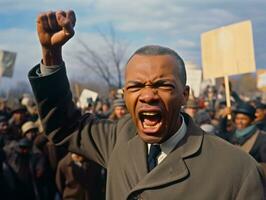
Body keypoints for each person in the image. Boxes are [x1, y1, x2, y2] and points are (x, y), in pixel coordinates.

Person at [28, 10, 264, 199]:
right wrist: (51, 54)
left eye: (162, 85)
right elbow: (64, 126)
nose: (148, 95)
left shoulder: (237, 169)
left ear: (185, 95)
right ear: (124, 94)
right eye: (136, 86)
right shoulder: (119, 138)